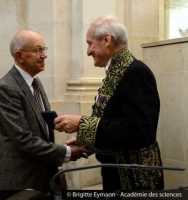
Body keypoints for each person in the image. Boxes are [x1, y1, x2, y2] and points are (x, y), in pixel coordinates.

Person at [54, 15, 164, 191]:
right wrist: (86, 141)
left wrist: (82, 124)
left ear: (106, 40)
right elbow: (113, 121)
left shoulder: (136, 72)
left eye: (90, 43)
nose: (88, 51)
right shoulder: (117, 71)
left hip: (134, 180)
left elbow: (139, 131)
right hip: (117, 174)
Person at [0, 30, 88, 198]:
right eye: (37, 50)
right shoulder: (6, 87)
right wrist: (67, 152)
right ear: (19, 56)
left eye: (44, 49)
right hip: (20, 179)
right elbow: (23, 139)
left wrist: (55, 166)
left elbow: (41, 131)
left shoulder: (35, 82)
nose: (44, 56)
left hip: (43, 176)